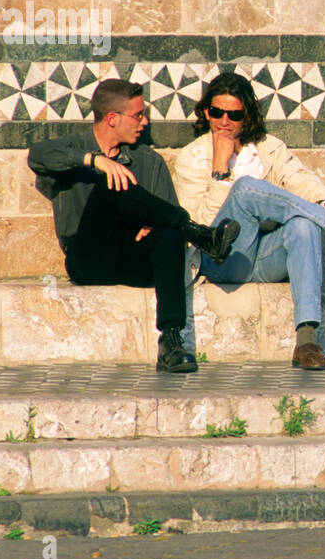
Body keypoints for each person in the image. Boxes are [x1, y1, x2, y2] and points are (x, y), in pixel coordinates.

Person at [173, 72, 325, 371]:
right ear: (206, 112)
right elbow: (201, 227)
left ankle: (307, 340)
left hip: (266, 258)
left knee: (302, 225)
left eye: (234, 114)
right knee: (244, 189)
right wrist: (219, 170)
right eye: (217, 112)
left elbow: (300, 180)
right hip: (222, 261)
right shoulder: (192, 158)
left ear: (247, 116)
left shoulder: (268, 148)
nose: (225, 121)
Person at [28, 79, 240, 374]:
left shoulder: (148, 161)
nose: (145, 121)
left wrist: (154, 226)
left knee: (168, 233)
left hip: (134, 259)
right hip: (88, 259)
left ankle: (171, 341)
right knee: (111, 183)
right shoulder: (74, 148)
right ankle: (200, 234)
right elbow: (37, 156)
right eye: (138, 115)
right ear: (112, 119)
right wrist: (95, 161)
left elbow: (165, 217)